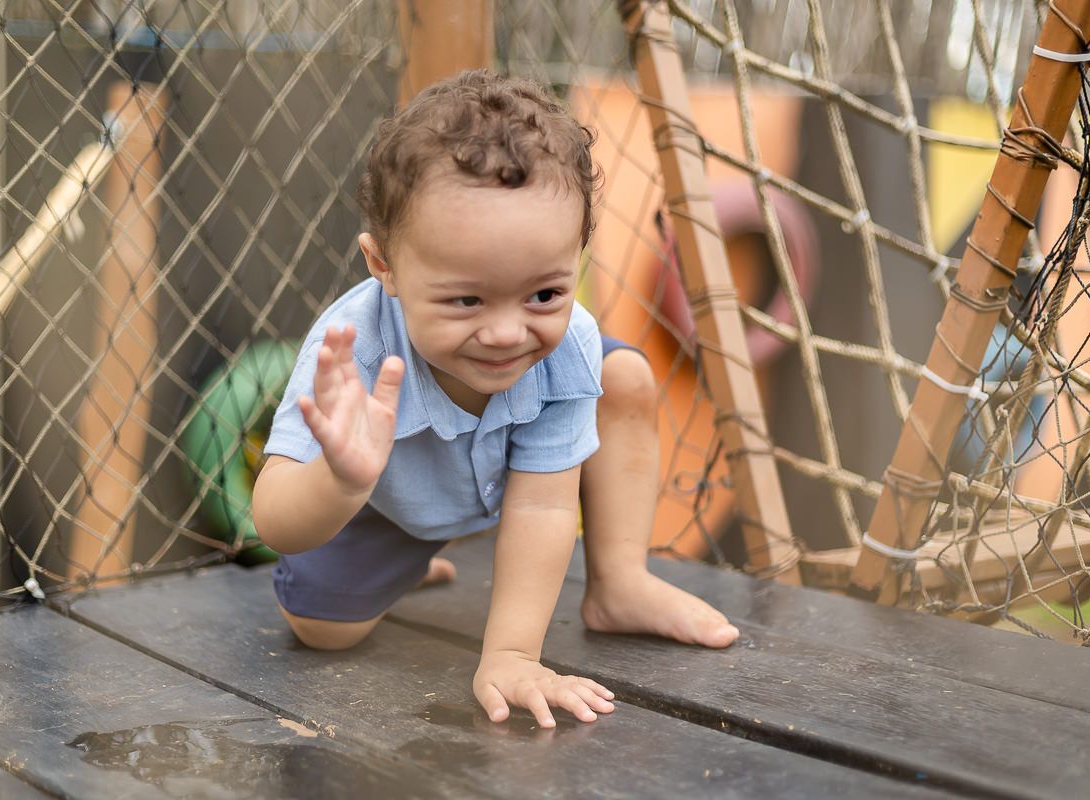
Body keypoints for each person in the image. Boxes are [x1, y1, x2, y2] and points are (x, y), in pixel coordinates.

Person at [252, 69, 739, 729]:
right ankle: (405, 553)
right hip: (380, 499)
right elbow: (274, 522)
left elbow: (542, 502)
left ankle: (619, 580)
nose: (508, 332)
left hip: (500, 481)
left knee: (623, 377)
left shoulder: (563, 348)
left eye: (544, 294)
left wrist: (511, 654)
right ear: (383, 266)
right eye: (466, 300)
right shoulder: (351, 356)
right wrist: (340, 481)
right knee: (320, 631)